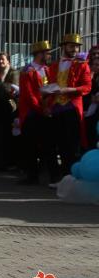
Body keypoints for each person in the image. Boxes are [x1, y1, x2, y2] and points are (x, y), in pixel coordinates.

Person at [46, 33, 92, 184]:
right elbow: (52, 85)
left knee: (72, 145)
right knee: (58, 143)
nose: (75, 50)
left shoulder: (82, 64)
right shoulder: (53, 66)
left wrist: (68, 90)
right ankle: (62, 177)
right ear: (64, 47)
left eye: (77, 47)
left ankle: (71, 177)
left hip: (72, 108)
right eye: (71, 46)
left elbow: (87, 87)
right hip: (56, 108)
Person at [17, 41, 52, 184]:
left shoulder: (48, 70)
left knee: (46, 144)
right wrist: (41, 109)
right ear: (39, 54)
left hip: (45, 111)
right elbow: (29, 95)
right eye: (47, 53)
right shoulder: (28, 70)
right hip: (32, 113)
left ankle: (44, 172)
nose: (49, 55)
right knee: (30, 146)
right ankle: (32, 175)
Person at [83, 56, 99, 150]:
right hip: (88, 113)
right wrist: (90, 99)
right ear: (91, 66)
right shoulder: (88, 77)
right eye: (96, 65)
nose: (98, 67)